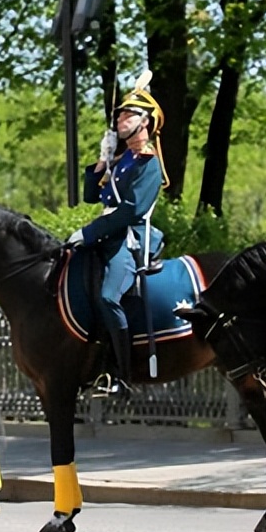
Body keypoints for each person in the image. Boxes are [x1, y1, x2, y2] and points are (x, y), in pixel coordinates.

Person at [67, 82, 168, 396]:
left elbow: (130, 210)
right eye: (121, 114)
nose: (121, 119)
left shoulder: (149, 164)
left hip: (128, 237)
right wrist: (102, 160)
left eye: (129, 114)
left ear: (145, 123)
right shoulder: (124, 161)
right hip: (107, 234)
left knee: (110, 297)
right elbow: (89, 196)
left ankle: (123, 377)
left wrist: (89, 232)